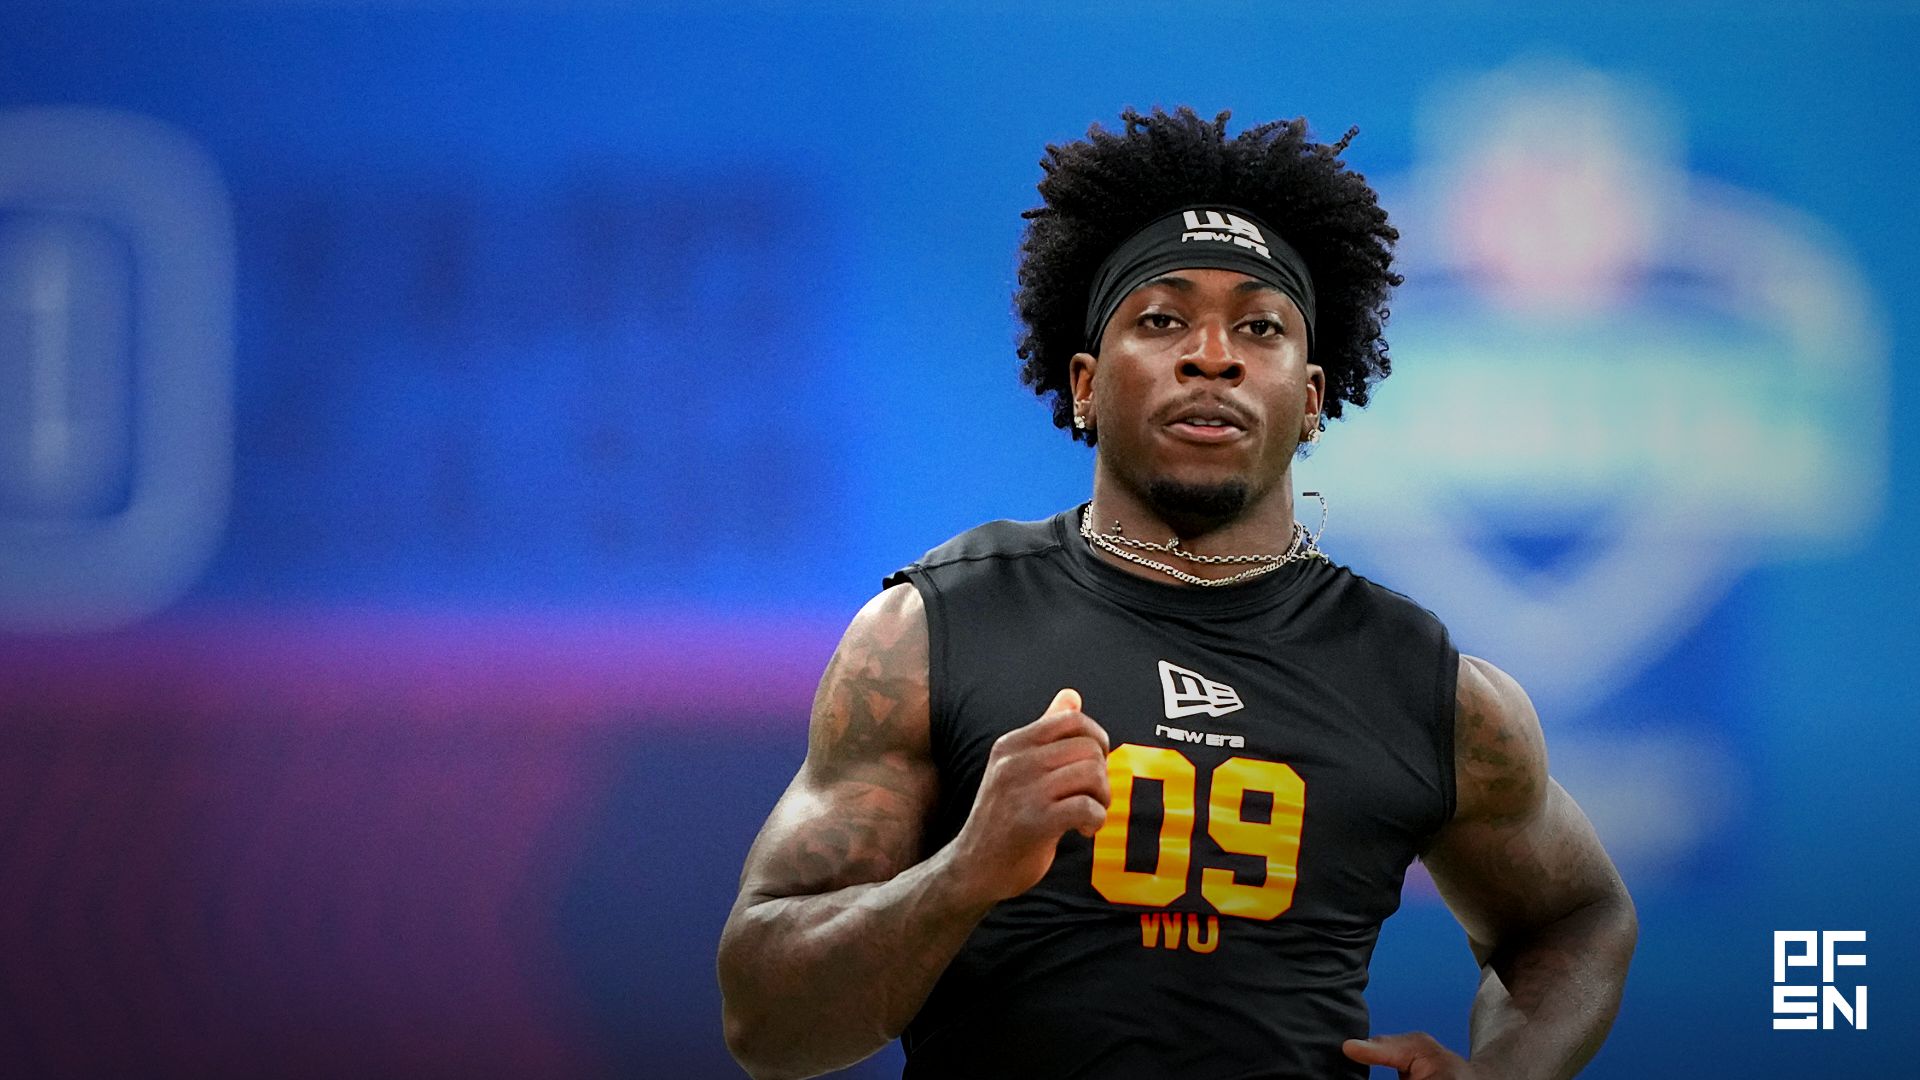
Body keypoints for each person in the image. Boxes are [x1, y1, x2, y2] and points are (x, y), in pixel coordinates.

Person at [717, 106, 1636, 1080]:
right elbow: (767, 1026)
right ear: (1083, 385)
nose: (1213, 354)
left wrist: (1504, 1075)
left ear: (1314, 398)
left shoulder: (1427, 687)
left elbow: (1579, 919)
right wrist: (963, 874)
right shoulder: (930, 633)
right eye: (1162, 319)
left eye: (1261, 326)